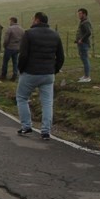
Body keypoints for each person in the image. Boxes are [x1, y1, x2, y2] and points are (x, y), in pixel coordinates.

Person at [16, 12, 65, 140]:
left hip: (30, 72)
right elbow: (61, 57)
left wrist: (20, 69)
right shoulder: (55, 34)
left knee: (22, 98)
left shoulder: (29, 34)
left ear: (37, 20)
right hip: (48, 74)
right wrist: (54, 70)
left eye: (33, 19)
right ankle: (45, 131)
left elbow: (23, 55)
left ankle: (26, 126)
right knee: (47, 103)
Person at [1, 16, 24, 81]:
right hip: (17, 48)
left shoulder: (10, 29)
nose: (9, 22)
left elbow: (6, 40)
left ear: (12, 21)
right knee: (15, 62)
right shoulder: (21, 29)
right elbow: (23, 39)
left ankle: (3, 74)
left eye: (10, 21)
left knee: (5, 61)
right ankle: (15, 75)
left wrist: (5, 46)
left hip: (9, 48)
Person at [76, 8, 93, 82]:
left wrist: (81, 39)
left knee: (85, 59)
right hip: (81, 43)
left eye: (80, 13)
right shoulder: (82, 22)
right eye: (78, 13)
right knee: (84, 59)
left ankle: (87, 77)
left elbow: (88, 32)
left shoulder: (85, 22)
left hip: (84, 44)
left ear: (84, 14)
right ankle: (85, 75)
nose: (78, 15)